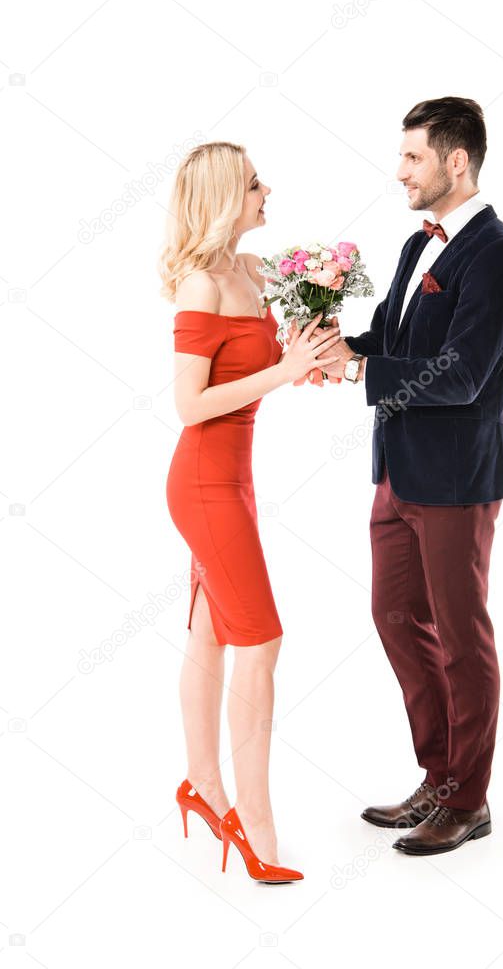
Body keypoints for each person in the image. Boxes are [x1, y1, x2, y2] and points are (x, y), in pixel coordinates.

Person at [313, 97, 503, 856]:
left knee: (462, 639)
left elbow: (465, 373)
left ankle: (467, 800)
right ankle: (439, 774)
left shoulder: (498, 252)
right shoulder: (417, 247)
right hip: (394, 472)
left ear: (456, 161)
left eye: (412, 157)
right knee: (393, 614)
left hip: (454, 478)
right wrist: (331, 347)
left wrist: (365, 368)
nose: (399, 170)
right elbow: (393, 339)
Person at [160, 141, 339, 882]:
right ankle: (254, 823)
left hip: (236, 480)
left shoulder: (254, 271)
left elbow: (261, 370)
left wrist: (306, 365)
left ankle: (202, 785)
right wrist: (280, 369)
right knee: (259, 641)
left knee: (213, 635)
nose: (269, 190)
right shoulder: (201, 282)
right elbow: (188, 403)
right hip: (202, 482)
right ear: (225, 195)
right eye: (256, 182)